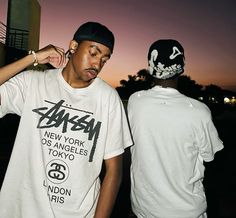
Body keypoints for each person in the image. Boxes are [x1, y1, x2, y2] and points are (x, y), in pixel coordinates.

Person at [0, 21, 132, 218]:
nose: (97, 64)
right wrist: (34, 57)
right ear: (73, 46)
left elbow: (114, 170)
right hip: (22, 210)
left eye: (105, 59)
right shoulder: (34, 83)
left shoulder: (107, 98)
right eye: (93, 53)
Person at [127, 39, 224, 218]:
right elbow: (211, 159)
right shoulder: (199, 111)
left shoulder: (135, 101)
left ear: (150, 66)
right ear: (182, 66)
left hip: (144, 210)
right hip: (187, 211)